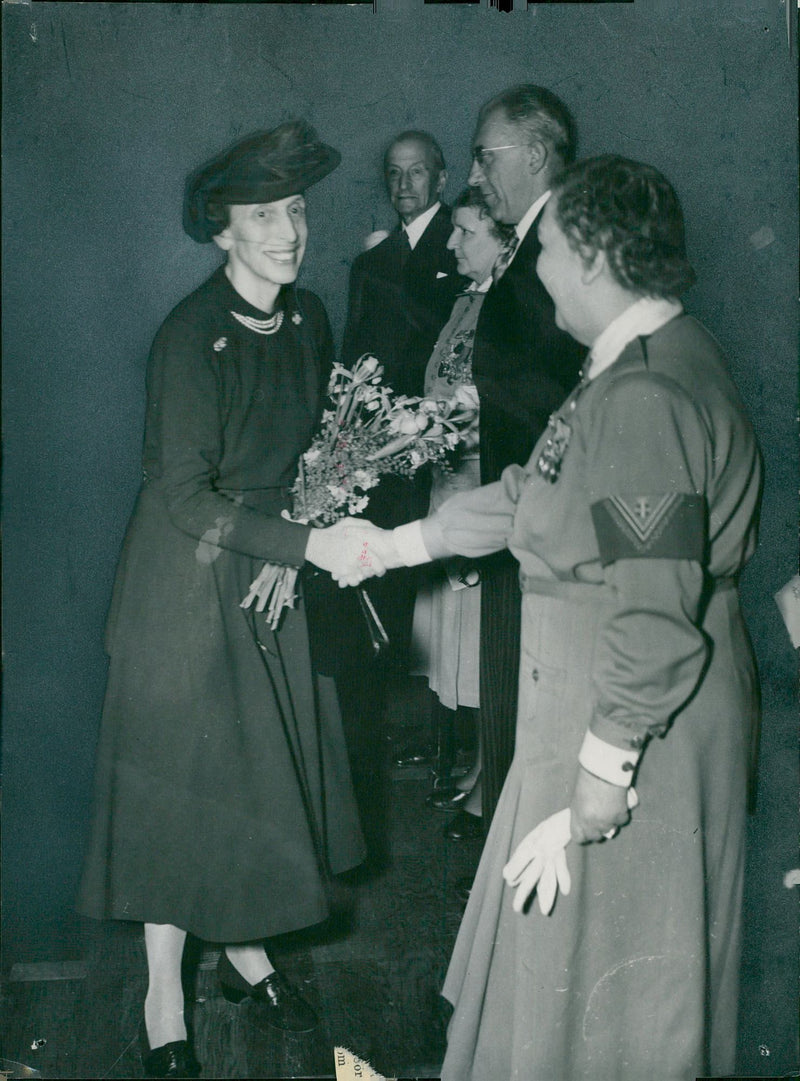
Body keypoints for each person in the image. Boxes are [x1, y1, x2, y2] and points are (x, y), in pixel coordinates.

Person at [329, 155, 763, 1080]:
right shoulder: (631, 367)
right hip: (599, 706)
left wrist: (601, 778)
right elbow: (537, 491)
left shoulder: (645, 396)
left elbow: (652, 616)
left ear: (599, 259)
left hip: (636, 725)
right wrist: (399, 544)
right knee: (574, 967)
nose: (540, 268)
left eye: (553, 248)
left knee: (620, 983)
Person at [77, 121, 373, 1079]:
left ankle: (245, 951)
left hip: (268, 573)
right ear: (223, 232)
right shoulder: (186, 337)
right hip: (185, 586)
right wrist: (307, 541)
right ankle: (167, 994)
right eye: (263, 215)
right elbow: (183, 495)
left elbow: (317, 450)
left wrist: (301, 525)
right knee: (185, 795)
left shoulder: (309, 316)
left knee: (253, 780)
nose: (287, 230)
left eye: (294, 209)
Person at [466, 85, 586, 832]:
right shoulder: (533, 237)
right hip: (521, 510)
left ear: (535, 155)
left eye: (487, 156)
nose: (478, 175)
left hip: (539, 514)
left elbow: (555, 390)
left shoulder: (559, 242)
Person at [339, 131, 469, 677]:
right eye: (393, 173)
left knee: (450, 594)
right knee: (392, 583)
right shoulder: (372, 261)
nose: (403, 184)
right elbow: (354, 358)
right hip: (386, 450)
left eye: (416, 172)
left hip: (449, 442)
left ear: (441, 179)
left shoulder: (463, 239)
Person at [408, 189, 514, 834]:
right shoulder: (465, 303)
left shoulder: (508, 310)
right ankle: (476, 762)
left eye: (466, 232)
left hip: (484, 494)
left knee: (484, 646)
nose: (452, 244)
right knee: (458, 644)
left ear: (503, 242)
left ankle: (487, 774)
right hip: (451, 490)